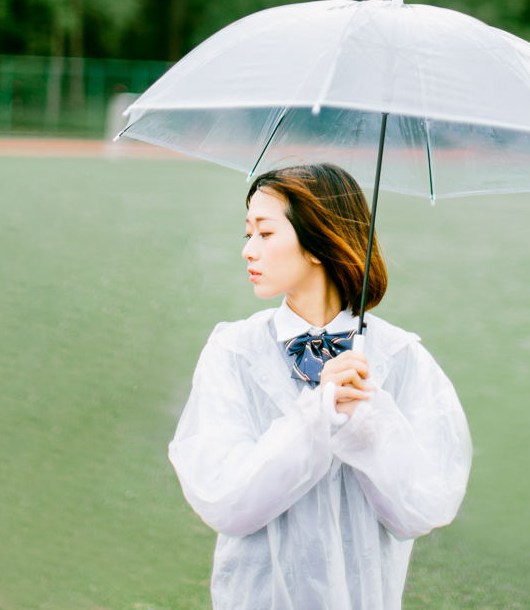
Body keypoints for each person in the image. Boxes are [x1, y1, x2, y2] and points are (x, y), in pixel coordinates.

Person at [168, 163, 472, 610]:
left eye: (265, 234)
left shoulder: (398, 356)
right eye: (247, 233)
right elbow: (226, 502)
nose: (248, 250)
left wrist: (369, 419)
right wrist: (315, 416)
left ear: (317, 242)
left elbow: (421, 509)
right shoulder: (234, 351)